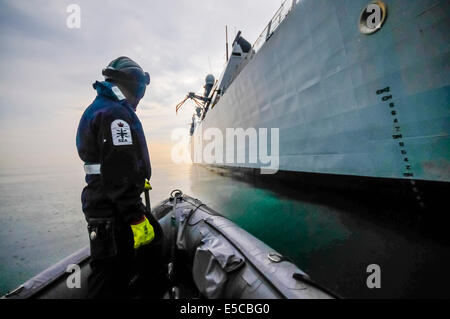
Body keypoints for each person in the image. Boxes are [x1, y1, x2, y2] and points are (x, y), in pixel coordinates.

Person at [76, 56, 166, 299]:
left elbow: (113, 162)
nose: (140, 98)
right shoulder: (116, 114)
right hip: (113, 210)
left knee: (149, 248)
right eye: (141, 90)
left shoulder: (102, 107)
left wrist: (137, 179)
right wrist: (136, 218)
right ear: (134, 85)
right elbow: (118, 169)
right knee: (110, 277)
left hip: (107, 203)